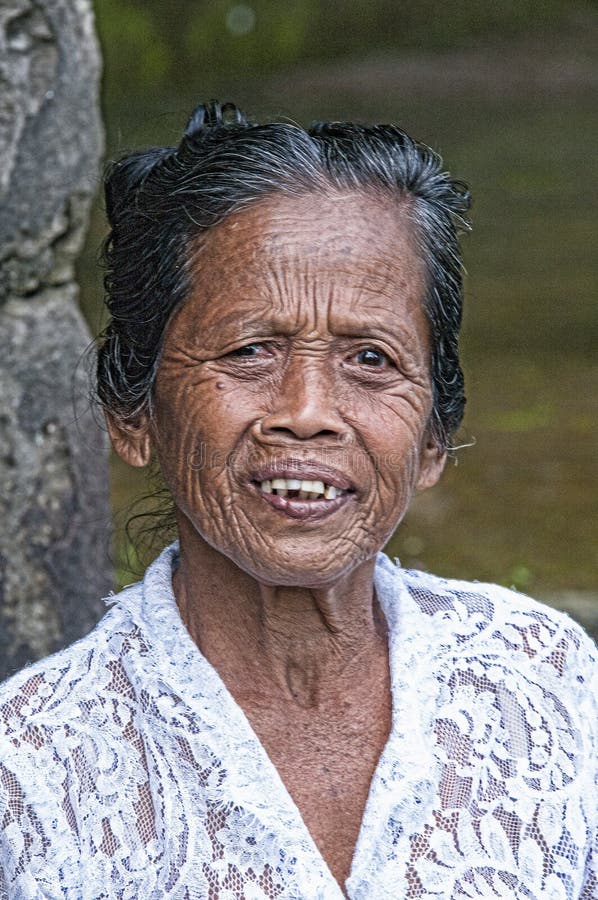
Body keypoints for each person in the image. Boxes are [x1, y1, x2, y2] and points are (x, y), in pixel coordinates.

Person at [0, 100, 596, 900]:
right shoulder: (30, 779)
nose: (309, 409)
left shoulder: (547, 683)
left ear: (431, 440)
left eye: (371, 358)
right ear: (133, 417)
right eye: (250, 351)